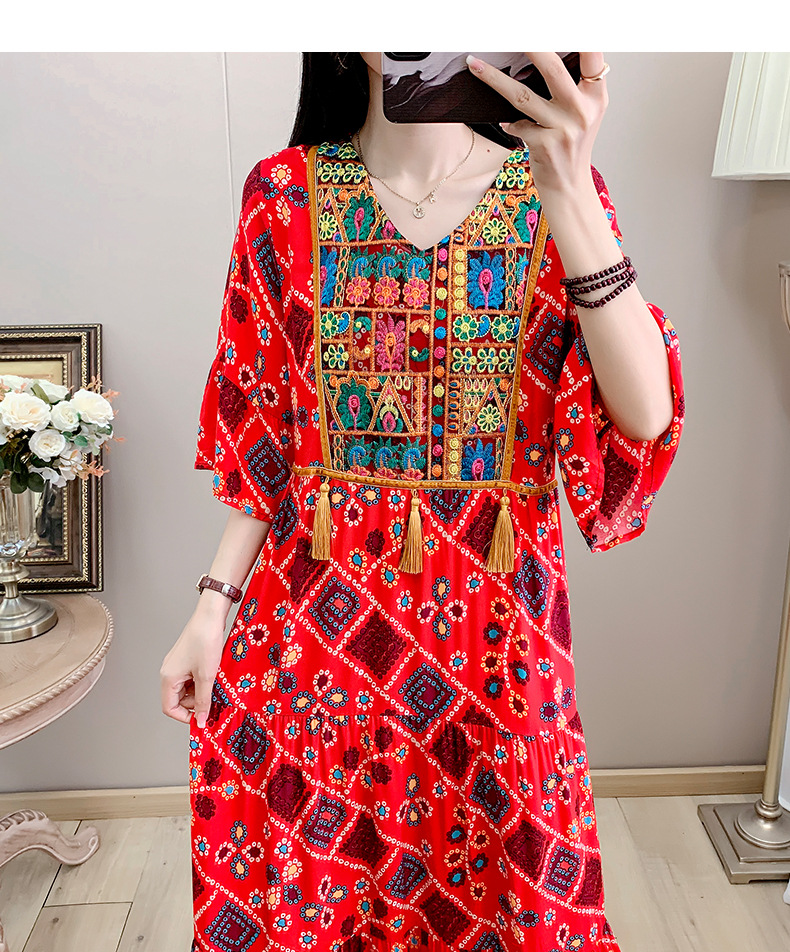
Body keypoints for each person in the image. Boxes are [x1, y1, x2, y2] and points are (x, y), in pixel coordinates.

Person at [161, 51, 685, 952]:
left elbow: (643, 418)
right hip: (313, 649)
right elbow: (269, 442)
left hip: (497, 651)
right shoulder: (281, 196)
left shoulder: (557, 191)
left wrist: (568, 185)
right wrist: (212, 607)